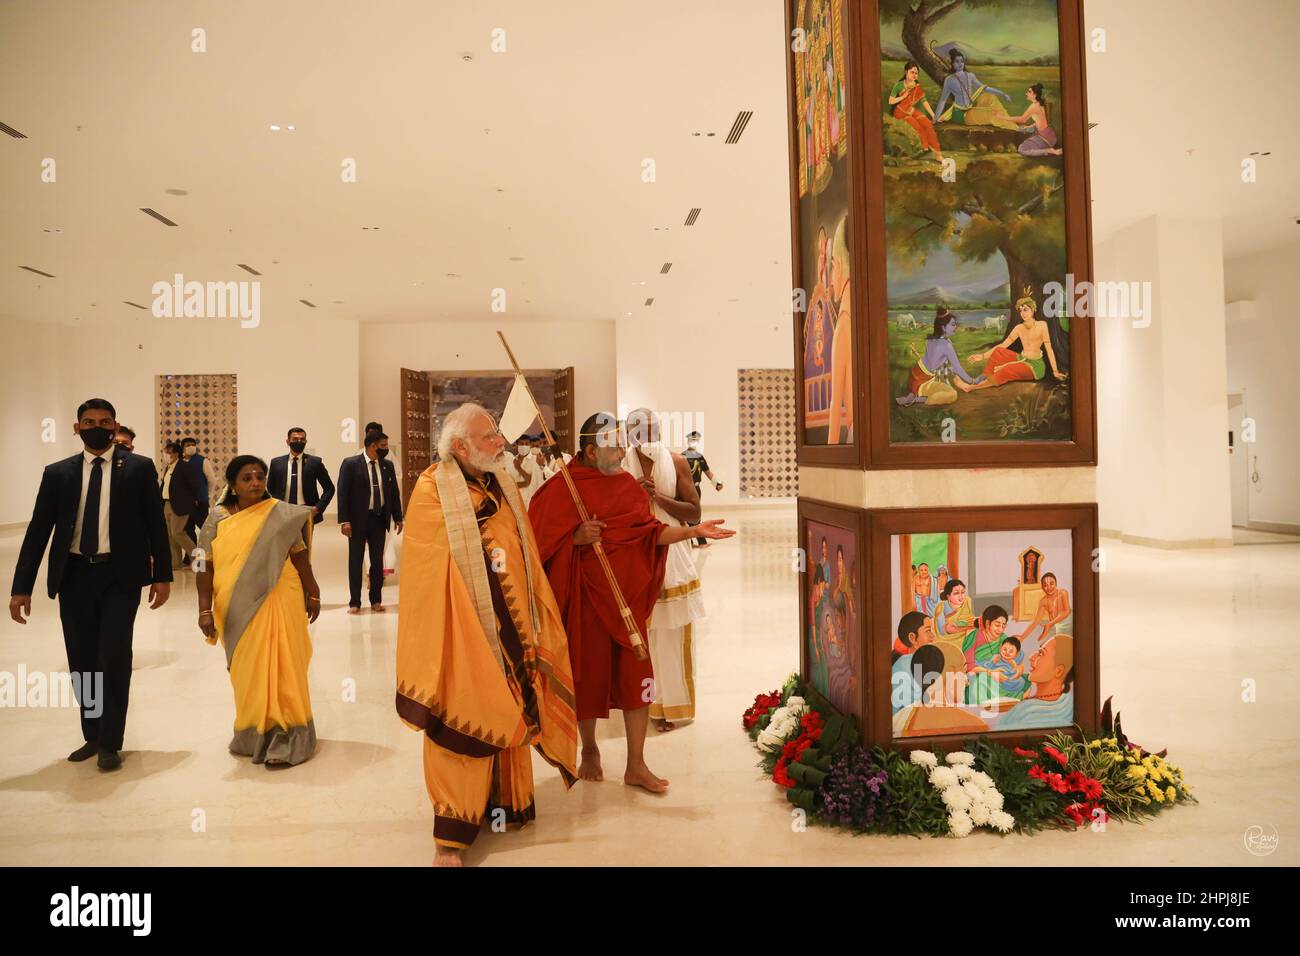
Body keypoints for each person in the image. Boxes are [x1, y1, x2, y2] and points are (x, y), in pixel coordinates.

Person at [396, 403, 579, 866]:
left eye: (496, 434)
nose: (500, 443)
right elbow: (426, 558)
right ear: (459, 446)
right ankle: (451, 837)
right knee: (464, 712)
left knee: (512, 706)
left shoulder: (500, 482)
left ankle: (503, 804)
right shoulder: (432, 487)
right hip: (463, 629)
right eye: (489, 437)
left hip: (514, 626)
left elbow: (524, 548)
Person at [529, 412, 734, 790]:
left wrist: (693, 530)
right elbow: (533, 544)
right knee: (586, 676)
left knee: (637, 675)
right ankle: (589, 747)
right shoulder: (562, 488)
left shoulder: (626, 485)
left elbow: (649, 534)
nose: (624, 450)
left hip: (627, 601)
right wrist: (573, 539)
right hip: (586, 602)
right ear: (591, 450)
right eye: (615, 444)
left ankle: (636, 764)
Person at [9, 398, 172, 771]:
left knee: (113, 655)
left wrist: (162, 575)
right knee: (82, 660)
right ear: (76, 427)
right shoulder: (58, 473)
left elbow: (154, 524)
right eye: (88, 421)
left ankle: (111, 741)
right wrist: (22, 587)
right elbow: (38, 531)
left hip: (120, 576)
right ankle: (93, 734)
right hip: (75, 575)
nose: (96, 426)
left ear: (115, 426)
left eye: (104, 421)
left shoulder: (138, 468)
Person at [195, 456, 321, 767]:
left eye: (260, 477)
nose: (255, 483)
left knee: (286, 662)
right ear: (233, 486)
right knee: (248, 668)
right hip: (235, 602)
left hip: (283, 595)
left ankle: (288, 735)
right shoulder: (216, 519)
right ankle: (253, 733)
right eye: (247, 478)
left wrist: (313, 590)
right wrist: (203, 609)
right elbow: (202, 563)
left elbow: (299, 555)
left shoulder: (279, 514)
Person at [623, 408, 706, 732]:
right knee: (642, 638)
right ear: (628, 434)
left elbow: (695, 512)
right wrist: (634, 496)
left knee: (672, 636)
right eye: (637, 430)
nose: (644, 435)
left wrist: (657, 497)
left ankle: (674, 708)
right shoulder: (617, 465)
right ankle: (645, 704)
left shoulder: (676, 462)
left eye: (650, 429)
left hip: (673, 559)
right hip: (634, 556)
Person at [337, 431, 403, 613]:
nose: (386, 449)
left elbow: (393, 494)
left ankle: (376, 600)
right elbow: (342, 493)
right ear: (372, 446)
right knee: (356, 560)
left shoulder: (387, 465)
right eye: (383, 446)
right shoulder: (351, 464)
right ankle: (355, 602)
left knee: (376, 560)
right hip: (357, 521)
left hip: (379, 519)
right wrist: (344, 520)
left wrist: (398, 517)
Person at [959, 291, 1067, 390]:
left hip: (1035, 366)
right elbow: (1003, 345)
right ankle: (978, 380)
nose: (1023, 313)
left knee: (1006, 369)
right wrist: (982, 356)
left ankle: (971, 387)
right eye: (1020, 310)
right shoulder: (1019, 328)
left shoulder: (1042, 325)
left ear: (1033, 310)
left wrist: (1055, 371)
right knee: (999, 352)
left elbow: (1049, 349)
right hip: (1022, 358)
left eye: (1025, 309)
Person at [896, 309, 983, 406]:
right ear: (943, 327)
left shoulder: (930, 340)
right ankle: (916, 399)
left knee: (944, 390)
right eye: (953, 324)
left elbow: (933, 363)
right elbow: (958, 368)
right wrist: (973, 381)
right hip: (922, 381)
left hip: (914, 376)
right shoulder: (946, 344)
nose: (956, 327)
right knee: (952, 395)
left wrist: (949, 369)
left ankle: (915, 395)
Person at [995, 634, 1075, 731]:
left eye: (1041, 653)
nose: (1031, 657)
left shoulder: (1027, 712)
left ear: (1058, 671)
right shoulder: (1067, 703)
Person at [268, 427, 335, 526]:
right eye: (295, 439)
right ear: (288, 441)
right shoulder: (276, 463)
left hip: (306, 512)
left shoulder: (315, 462)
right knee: (284, 541)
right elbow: (270, 487)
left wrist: (318, 508)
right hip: (283, 513)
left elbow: (329, 488)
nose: (299, 441)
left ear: (306, 441)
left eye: (302, 439)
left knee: (304, 542)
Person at [933, 48, 1017, 128]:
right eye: (957, 61)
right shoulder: (949, 80)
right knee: (992, 114)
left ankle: (1012, 124)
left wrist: (1003, 94)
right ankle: (1015, 128)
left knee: (990, 97)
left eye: (962, 61)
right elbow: (943, 100)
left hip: (970, 109)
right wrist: (935, 119)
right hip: (960, 114)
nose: (960, 64)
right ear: (952, 64)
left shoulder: (970, 76)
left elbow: (984, 88)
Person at [888, 60, 943, 161]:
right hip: (900, 113)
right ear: (906, 72)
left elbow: (924, 102)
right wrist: (903, 96)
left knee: (928, 124)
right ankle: (925, 148)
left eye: (916, 73)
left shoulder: (917, 86)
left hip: (910, 110)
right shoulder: (899, 85)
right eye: (912, 72)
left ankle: (938, 154)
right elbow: (891, 101)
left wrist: (934, 115)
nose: (914, 75)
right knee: (919, 128)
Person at [159, 439, 201, 569]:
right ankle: (175, 564)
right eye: (165, 452)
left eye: (169, 452)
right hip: (166, 503)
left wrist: (192, 501)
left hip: (180, 505)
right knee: (170, 536)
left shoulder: (184, 466)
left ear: (176, 454)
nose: (166, 454)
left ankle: (199, 561)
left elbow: (194, 485)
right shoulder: (168, 467)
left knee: (178, 532)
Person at [682, 431, 722, 546]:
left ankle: (695, 541)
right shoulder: (681, 457)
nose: (693, 443)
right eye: (691, 441)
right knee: (688, 514)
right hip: (685, 489)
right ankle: (696, 541)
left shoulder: (700, 458)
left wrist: (717, 484)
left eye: (695, 441)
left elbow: (707, 472)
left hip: (696, 489)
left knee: (695, 514)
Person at [180, 436, 219, 540]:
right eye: (188, 445)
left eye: (193, 445)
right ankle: (191, 555)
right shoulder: (180, 462)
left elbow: (212, 480)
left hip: (200, 502)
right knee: (188, 530)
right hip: (184, 503)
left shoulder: (202, 461)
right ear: (182, 448)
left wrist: (207, 495)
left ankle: (208, 553)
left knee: (205, 529)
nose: (191, 447)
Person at [1009, 83, 1063, 157]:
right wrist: (1029, 127)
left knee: (1022, 149)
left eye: (1029, 91)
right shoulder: (1040, 104)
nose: (1026, 93)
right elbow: (1041, 122)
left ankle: (1049, 151)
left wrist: (1002, 117)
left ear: (1035, 94)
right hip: (1050, 136)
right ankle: (1048, 148)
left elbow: (1022, 119)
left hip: (1045, 138)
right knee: (1025, 129)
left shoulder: (1034, 106)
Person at [1027, 571, 1072, 639]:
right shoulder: (1043, 601)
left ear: (1056, 584)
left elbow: (1067, 611)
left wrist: (1049, 624)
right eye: (1045, 585)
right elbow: (1035, 622)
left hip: (1071, 624)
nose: (1049, 587)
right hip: (1059, 629)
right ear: (1042, 587)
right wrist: (1022, 637)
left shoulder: (1063, 592)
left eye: (1051, 583)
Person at [506, 434, 546, 506]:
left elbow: (529, 482)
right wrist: (520, 484)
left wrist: (519, 468)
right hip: (515, 501)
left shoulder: (536, 460)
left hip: (531, 501)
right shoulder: (512, 460)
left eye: (526, 444)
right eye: (521, 444)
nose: (524, 446)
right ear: (517, 445)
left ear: (530, 445)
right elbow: (509, 484)